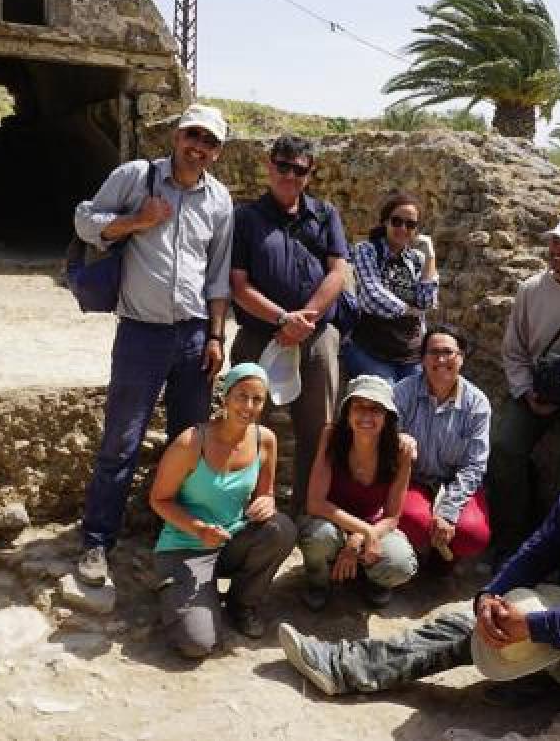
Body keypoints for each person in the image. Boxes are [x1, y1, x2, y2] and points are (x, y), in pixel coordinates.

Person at [279, 422, 560, 713]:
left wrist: (535, 628)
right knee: (483, 620)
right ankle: (533, 681)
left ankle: (343, 668)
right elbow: (537, 552)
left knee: (464, 632)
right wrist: (490, 594)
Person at [72, 104, 234, 586]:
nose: (198, 147)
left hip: (193, 336)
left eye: (209, 141)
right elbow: (84, 221)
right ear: (177, 135)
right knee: (121, 443)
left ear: (217, 152)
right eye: (193, 135)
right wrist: (138, 221)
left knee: (189, 444)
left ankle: (178, 537)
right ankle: (97, 543)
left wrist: (216, 335)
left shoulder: (219, 201)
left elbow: (218, 275)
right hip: (140, 334)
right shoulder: (137, 177)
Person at [230, 134, 350, 512]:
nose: (290, 175)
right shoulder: (245, 218)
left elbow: (338, 271)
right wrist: (283, 318)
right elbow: (238, 283)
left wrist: (304, 318)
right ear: (269, 165)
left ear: (310, 173)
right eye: (283, 166)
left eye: (299, 169)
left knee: (318, 431)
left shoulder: (326, 215)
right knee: (245, 425)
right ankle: (243, 509)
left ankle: (307, 513)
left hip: (316, 339)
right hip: (259, 336)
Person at [150, 363, 297, 657]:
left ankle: (242, 604)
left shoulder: (264, 439)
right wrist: (198, 529)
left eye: (257, 399)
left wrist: (267, 502)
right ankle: (179, 591)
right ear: (225, 397)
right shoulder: (191, 443)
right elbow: (159, 499)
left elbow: (265, 493)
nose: (249, 406)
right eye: (241, 396)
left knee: (281, 529)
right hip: (186, 546)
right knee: (197, 644)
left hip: (230, 540)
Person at [487, 215, 560, 564]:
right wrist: (526, 392)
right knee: (506, 445)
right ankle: (510, 540)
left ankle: (558, 539)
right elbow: (514, 349)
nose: (557, 250)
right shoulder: (530, 289)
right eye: (555, 242)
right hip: (539, 388)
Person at [298, 375, 418, 611]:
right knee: (319, 537)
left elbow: (393, 516)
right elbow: (315, 503)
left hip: (374, 527)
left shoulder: (399, 451)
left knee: (400, 562)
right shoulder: (332, 437)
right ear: (347, 412)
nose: (366, 416)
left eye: (375, 409)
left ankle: (372, 579)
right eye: (358, 406)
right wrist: (363, 531)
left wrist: (358, 539)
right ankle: (319, 581)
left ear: (386, 417)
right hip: (331, 522)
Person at [390, 325, 492, 566]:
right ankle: (413, 554)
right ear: (422, 359)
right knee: (411, 519)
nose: (441, 359)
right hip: (412, 480)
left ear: (461, 358)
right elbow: (386, 443)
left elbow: (474, 466)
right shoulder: (403, 393)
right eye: (433, 353)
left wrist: (449, 511)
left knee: (472, 533)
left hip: (453, 481)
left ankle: (445, 556)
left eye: (449, 352)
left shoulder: (476, 404)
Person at [344, 190, 439, 383]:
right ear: (385, 222)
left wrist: (430, 257)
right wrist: (411, 310)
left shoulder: (417, 260)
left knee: (418, 399)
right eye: (397, 221)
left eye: (410, 224)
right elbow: (372, 297)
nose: (403, 228)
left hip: (410, 354)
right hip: (372, 350)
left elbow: (427, 301)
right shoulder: (367, 250)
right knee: (388, 396)